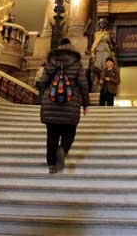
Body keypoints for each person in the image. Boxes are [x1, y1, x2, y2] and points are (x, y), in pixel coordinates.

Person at [37, 38, 90, 174]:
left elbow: (42, 82)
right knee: (69, 132)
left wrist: (44, 98)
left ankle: (51, 165)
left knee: (51, 135)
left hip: (51, 103)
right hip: (70, 104)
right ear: (71, 49)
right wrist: (86, 104)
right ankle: (63, 149)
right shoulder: (77, 64)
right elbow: (83, 85)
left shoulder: (50, 62)